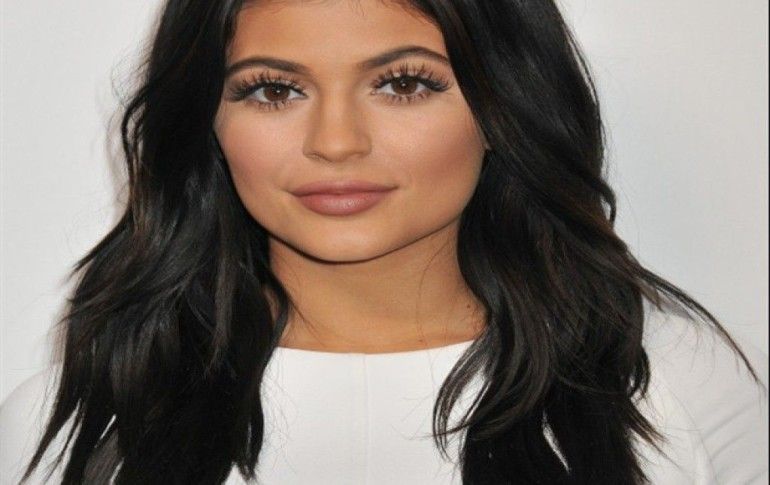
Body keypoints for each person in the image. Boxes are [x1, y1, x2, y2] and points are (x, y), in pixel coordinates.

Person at [0, 0, 767, 484]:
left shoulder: (670, 387)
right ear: (208, 122)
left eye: (403, 83)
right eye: (274, 88)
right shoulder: (78, 424)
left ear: (503, 106)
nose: (336, 142)